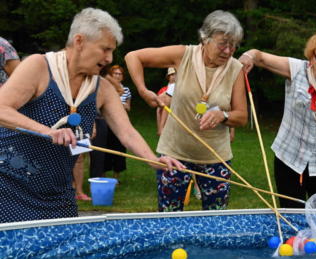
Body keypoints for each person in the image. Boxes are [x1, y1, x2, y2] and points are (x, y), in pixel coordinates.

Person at [0, 7, 182, 223]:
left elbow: (127, 133)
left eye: (112, 51)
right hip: (10, 187)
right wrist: (47, 132)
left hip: (58, 194)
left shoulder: (102, 88)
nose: (109, 58)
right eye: (105, 49)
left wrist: (154, 160)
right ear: (79, 41)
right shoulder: (39, 66)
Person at [125, 10, 247, 212]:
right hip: (174, 154)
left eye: (233, 45)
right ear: (205, 39)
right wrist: (142, 89)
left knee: (216, 222)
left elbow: (241, 116)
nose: (228, 50)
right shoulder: (184, 55)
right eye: (223, 43)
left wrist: (223, 115)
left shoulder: (236, 68)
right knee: (169, 217)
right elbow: (133, 57)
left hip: (215, 157)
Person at [239, 29, 316, 207]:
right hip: (289, 157)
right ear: (311, 55)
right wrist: (248, 56)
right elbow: (259, 57)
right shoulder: (296, 69)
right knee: (291, 217)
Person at [104, 64, 131, 182]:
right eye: (115, 73)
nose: (118, 76)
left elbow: (129, 107)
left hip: (121, 122)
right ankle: (103, 175)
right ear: (111, 75)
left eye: (120, 74)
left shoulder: (126, 90)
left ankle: (116, 176)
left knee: (119, 148)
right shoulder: (106, 88)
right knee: (105, 146)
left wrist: (123, 106)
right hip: (106, 122)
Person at [156, 67, 176, 136]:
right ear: (168, 77)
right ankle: (160, 129)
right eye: (171, 75)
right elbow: (158, 102)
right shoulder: (164, 89)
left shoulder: (178, 86)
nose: (173, 76)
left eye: (174, 74)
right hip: (166, 110)